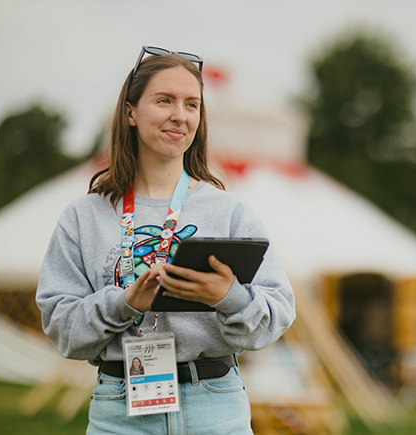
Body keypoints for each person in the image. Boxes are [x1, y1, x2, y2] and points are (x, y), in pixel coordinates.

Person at [36, 46, 296, 434]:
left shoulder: (229, 213)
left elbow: (277, 316)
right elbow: (62, 329)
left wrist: (228, 296)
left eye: (192, 104)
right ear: (130, 112)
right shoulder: (83, 217)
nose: (180, 114)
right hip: (119, 408)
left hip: (216, 406)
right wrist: (122, 303)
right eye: (164, 100)